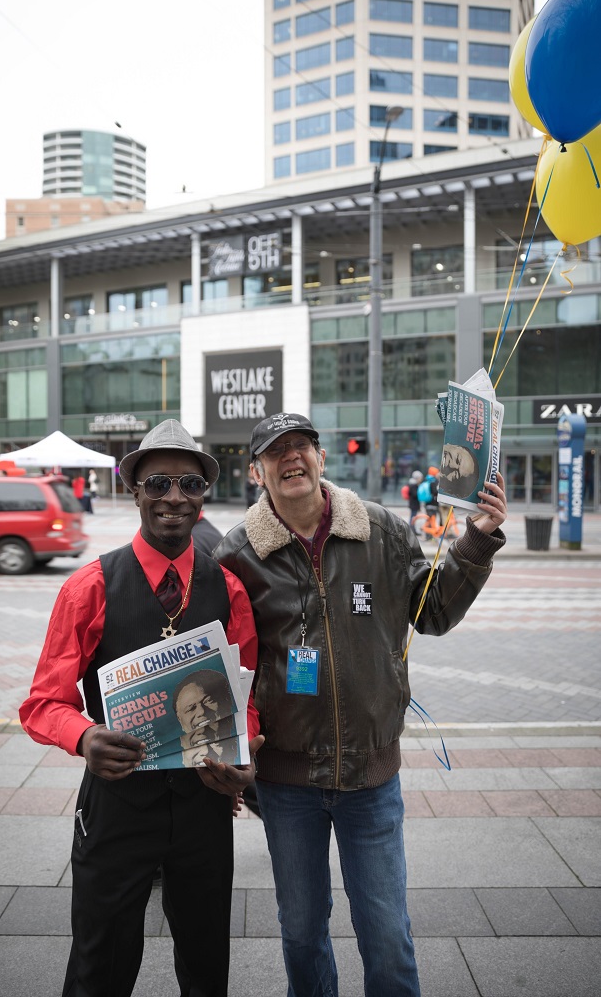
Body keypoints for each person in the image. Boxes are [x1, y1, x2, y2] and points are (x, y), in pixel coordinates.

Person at [215, 411, 508, 997]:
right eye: (277, 452)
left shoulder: (381, 529)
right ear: (257, 472)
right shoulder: (238, 554)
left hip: (371, 779)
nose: (292, 458)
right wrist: (228, 759)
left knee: (387, 935)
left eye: (303, 446)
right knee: (300, 932)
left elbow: (433, 612)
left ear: (322, 458)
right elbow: (228, 668)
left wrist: (475, 539)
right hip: (287, 782)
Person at [19, 418, 263, 997]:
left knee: (207, 965)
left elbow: (248, 699)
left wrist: (245, 751)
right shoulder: (90, 587)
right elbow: (43, 703)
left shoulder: (228, 589)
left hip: (204, 808)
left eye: (189, 485)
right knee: (100, 965)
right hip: (118, 809)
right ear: (135, 491)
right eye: (158, 485)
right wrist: (84, 738)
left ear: (204, 495)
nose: (174, 498)